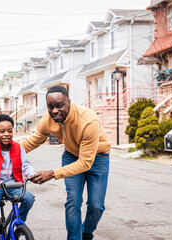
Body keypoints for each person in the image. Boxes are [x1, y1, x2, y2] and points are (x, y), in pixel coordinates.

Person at [21, 86, 110, 240]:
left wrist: (53, 174)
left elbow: (85, 163)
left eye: (59, 105)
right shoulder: (48, 119)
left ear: (69, 102)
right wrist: (6, 153)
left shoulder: (88, 121)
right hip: (71, 155)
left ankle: (86, 234)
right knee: (73, 202)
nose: (54, 111)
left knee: (96, 206)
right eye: (50, 107)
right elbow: (33, 141)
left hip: (98, 158)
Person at [0, 114, 36, 240]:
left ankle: (18, 222)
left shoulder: (18, 148)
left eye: (10, 131)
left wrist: (32, 174)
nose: (6, 134)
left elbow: (26, 165)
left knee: (29, 199)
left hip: (13, 184)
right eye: (2, 131)